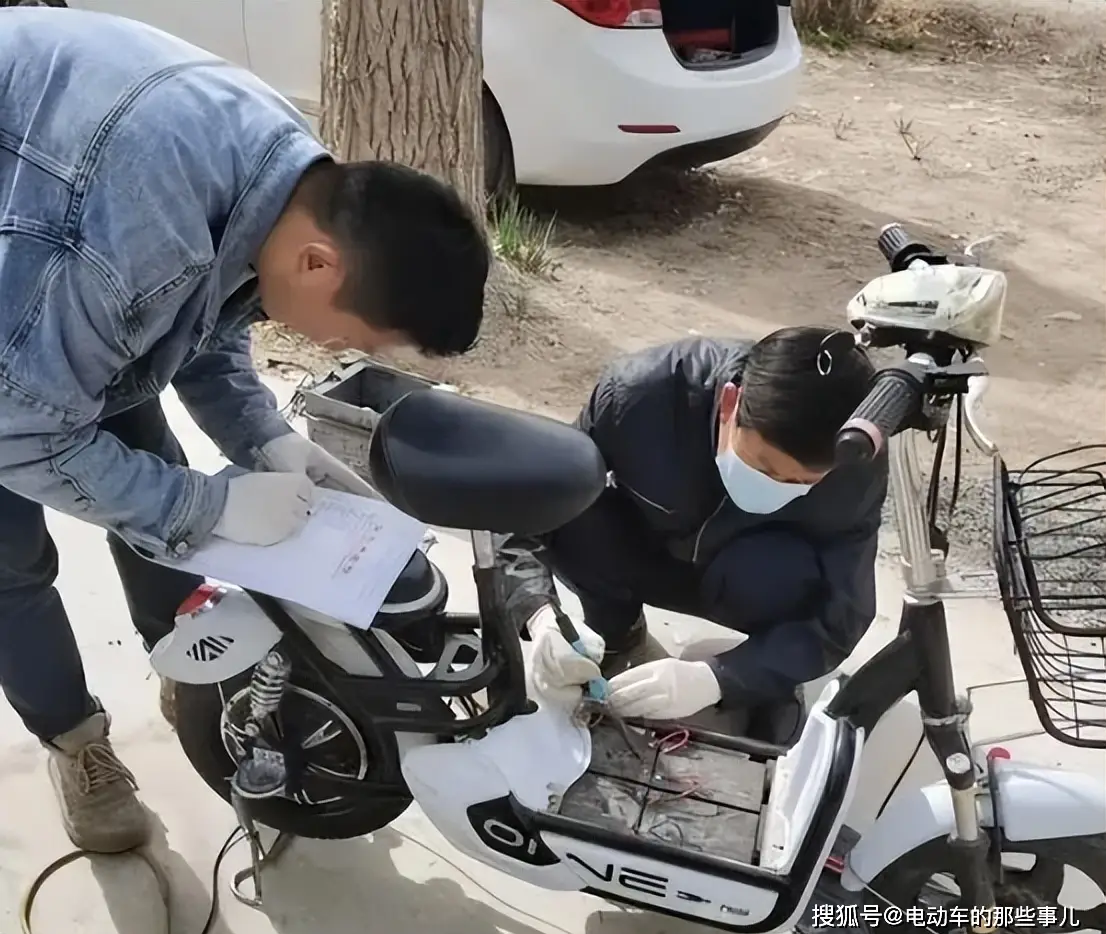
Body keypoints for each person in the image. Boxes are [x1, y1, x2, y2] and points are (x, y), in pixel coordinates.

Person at [0, 7, 489, 854]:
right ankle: (74, 739)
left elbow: (207, 314)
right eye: (354, 337)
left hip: (63, 224)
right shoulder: (130, 245)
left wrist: (265, 439)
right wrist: (206, 506)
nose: (333, 350)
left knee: (145, 468)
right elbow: (18, 434)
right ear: (319, 263)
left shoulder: (292, 182)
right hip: (53, 234)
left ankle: (191, 671)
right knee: (15, 548)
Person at [495, 327, 887, 736]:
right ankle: (616, 633)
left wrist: (721, 677)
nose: (775, 485)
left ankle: (765, 681)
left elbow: (844, 615)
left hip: (745, 581)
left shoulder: (853, 466)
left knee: (803, 578)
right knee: (573, 502)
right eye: (764, 467)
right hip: (646, 552)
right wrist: (537, 612)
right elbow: (526, 505)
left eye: (800, 482)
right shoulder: (641, 395)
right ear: (730, 404)